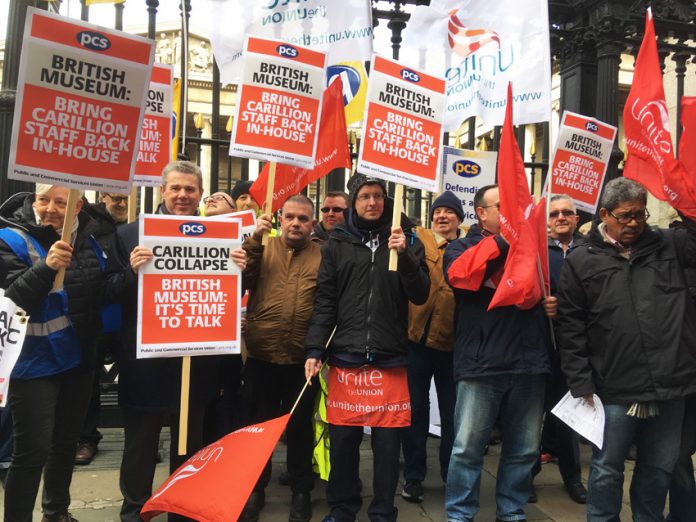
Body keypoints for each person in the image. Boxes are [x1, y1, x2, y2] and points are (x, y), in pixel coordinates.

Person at [111, 161, 246, 522]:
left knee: (189, 449)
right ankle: (134, 513)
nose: (183, 196)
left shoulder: (221, 237)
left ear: (201, 194)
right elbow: (106, 293)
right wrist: (130, 272)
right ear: (162, 191)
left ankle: (182, 511)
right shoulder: (129, 235)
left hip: (196, 363)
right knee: (140, 448)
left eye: (190, 189)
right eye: (176, 188)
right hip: (145, 364)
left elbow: (231, 299)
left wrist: (239, 271)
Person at [556, 177, 696, 521]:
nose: (634, 222)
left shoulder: (670, 245)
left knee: (659, 467)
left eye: (641, 214)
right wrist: (580, 382)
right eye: (625, 216)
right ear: (605, 215)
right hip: (612, 387)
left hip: (670, 383)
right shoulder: (581, 259)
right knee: (606, 468)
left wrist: (683, 195)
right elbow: (570, 326)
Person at [305, 173, 430, 522]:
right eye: (364, 197)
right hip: (346, 359)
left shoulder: (407, 239)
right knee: (343, 441)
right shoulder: (337, 243)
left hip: (390, 359)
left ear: (386, 199)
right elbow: (325, 300)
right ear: (353, 202)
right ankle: (343, 508)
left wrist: (404, 254)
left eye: (377, 196)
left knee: (388, 447)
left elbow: (420, 293)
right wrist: (315, 349)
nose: (372, 202)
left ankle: (383, 510)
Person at [443, 184, 554, 522]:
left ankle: (511, 510)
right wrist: (508, 238)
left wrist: (553, 303)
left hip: (528, 363)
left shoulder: (537, 249)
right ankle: (460, 514)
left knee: (523, 449)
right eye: (503, 207)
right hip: (482, 365)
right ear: (481, 214)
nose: (513, 212)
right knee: (467, 449)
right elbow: (460, 275)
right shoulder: (461, 247)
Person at [0, 184, 108, 522]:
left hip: (78, 359)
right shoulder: (10, 238)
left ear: (77, 207)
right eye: (43, 199)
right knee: (31, 451)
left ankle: (56, 512)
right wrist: (46, 268)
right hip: (33, 363)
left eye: (61, 202)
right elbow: (16, 297)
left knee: (65, 444)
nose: (50, 209)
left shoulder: (90, 238)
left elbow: (99, 293)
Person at [238, 194, 321, 522]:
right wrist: (255, 241)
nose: (296, 223)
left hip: (302, 360)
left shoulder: (322, 256)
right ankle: (255, 488)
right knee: (259, 428)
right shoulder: (263, 246)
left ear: (311, 224)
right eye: (290, 217)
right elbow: (241, 280)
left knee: (301, 428)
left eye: (303, 218)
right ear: (280, 219)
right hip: (262, 355)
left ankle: (302, 490)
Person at [400, 190, 462, 503]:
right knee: (415, 413)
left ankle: (452, 476)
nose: (442, 216)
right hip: (415, 343)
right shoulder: (417, 239)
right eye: (437, 211)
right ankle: (413, 477)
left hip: (452, 347)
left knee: (452, 417)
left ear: (459, 220)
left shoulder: (468, 246)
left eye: (449, 212)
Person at [530, 194, 587, 504]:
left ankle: (573, 479)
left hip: (576, 352)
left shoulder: (589, 251)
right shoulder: (538, 253)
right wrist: (542, 306)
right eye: (554, 213)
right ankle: (526, 477)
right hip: (541, 347)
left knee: (569, 419)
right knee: (530, 419)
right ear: (547, 220)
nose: (561, 217)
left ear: (577, 219)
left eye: (567, 212)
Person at [75, 192, 129, 466]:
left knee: (132, 381)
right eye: (117, 198)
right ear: (103, 197)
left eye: (125, 199)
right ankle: (86, 438)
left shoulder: (132, 228)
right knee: (89, 383)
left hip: (127, 319)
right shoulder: (89, 226)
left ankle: (137, 439)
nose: (121, 204)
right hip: (97, 317)